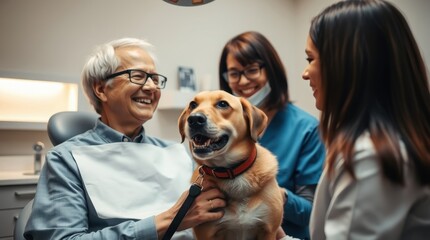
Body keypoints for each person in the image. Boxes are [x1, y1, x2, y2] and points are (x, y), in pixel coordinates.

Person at [24, 37, 227, 239]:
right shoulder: (66, 160)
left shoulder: (179, 153)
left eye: (155, 79)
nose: (151, 87)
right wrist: (169, 221)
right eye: (137, 76)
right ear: (101, 89)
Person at [302, 0, 430, 239]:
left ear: (347, 64)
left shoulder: (371, 158)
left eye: (311, 59)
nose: (305, 73)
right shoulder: (382, 145)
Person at [219, 31, 326, 240]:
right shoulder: (223, 131)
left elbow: (310, 211)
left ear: (271, 70)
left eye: (251, 70)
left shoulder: (305, 128)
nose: (242, 81)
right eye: (234, 73)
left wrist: (276, 193)